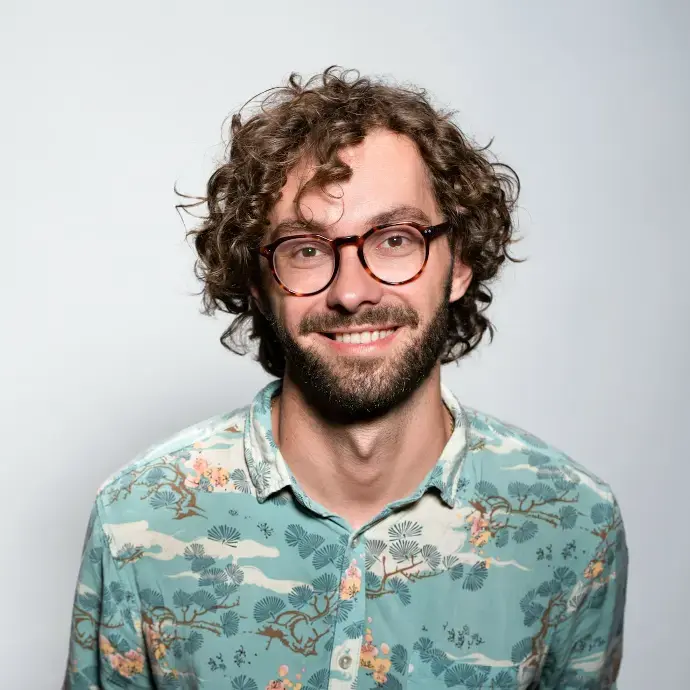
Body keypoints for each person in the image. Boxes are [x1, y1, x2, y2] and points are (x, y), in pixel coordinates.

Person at [64, 67, 627, 690]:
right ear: (257, 284)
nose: (352, 292)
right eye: (306, 249)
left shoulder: (573, 524)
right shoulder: (139, 518)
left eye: (395, 239)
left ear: (460, 262)